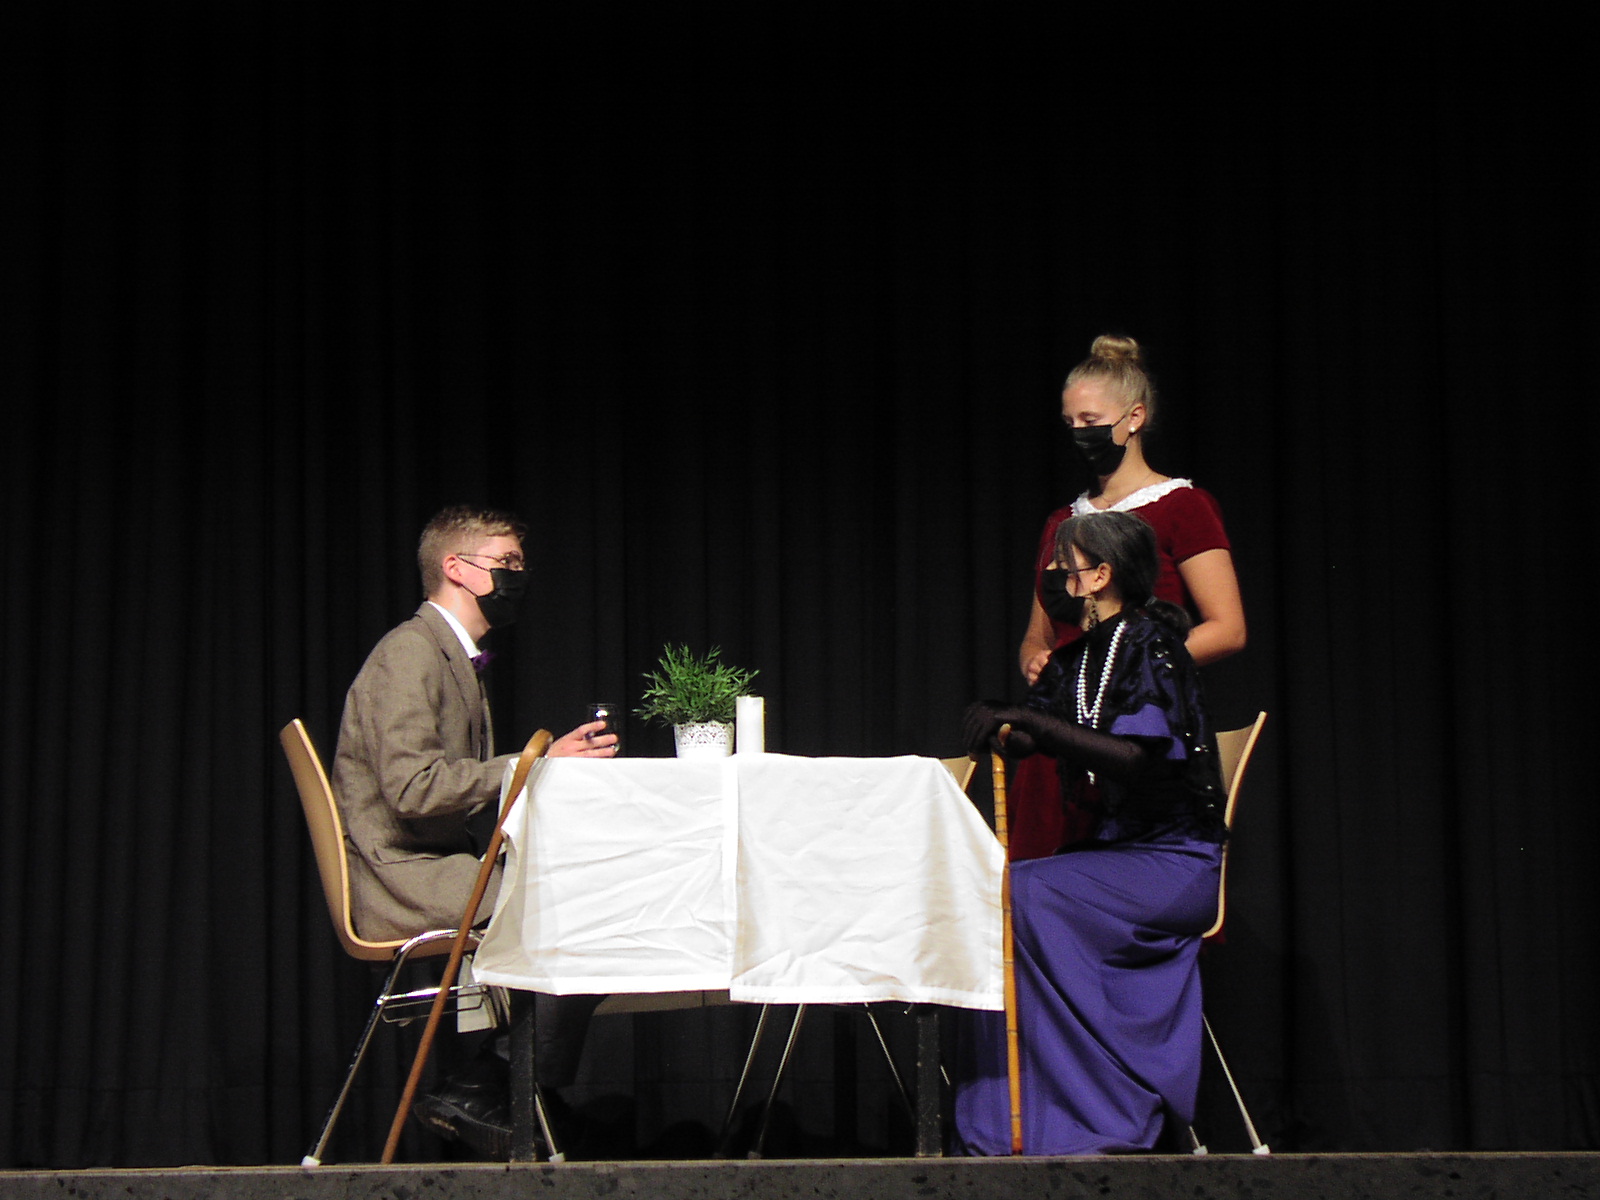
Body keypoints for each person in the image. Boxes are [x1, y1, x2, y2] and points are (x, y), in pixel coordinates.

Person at [332, 503, 617, 1158]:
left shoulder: (451, 656)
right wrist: (530, 766)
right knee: (579, 908)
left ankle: (517, 1086)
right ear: (456, 567)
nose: (519, 575)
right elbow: (412, 789)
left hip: (437, 863)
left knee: (590, 894)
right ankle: (489, 1083)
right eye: (506, 562)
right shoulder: (409, 653)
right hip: (403, 876)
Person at [956, 510, 1226, 1155]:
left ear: (1099, 575)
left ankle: (1097, 1108)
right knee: (995, 892)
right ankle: (1022, 1119)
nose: (1052, 574)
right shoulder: (1081, 658)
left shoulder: (1151, 643)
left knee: (1022, 891)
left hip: (1173, 861)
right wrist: (1005, 726)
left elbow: (1135, 756)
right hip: (1115, 858)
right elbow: (1042, 728)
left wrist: (1036, 725)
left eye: (1063, 564)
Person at [1011, 333, 1245, 860]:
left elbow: (1227, 628)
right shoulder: (1063, 522)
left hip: (1134, 731)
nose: (1079, 433)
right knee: (1035, 875)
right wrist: (1037, 662)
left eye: (1091, 421)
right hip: (1060, 735)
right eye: (1070, 422)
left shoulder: (1181, 506)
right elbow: (1039, 635)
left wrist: (1131, 673)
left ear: (1134, 418)